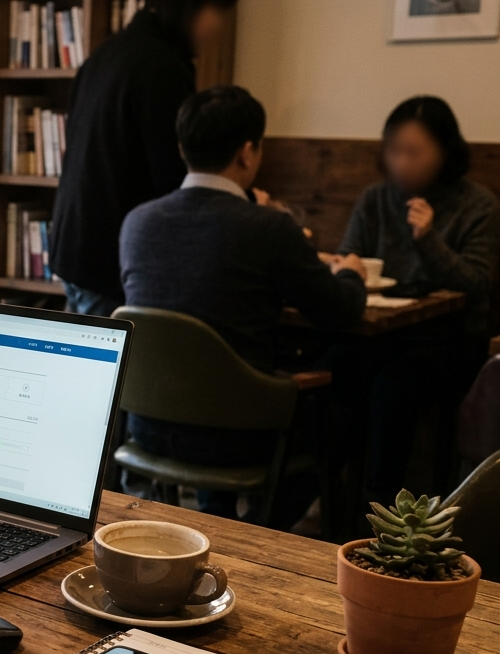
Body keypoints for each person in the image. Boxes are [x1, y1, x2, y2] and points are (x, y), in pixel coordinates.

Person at [119, 86, 367, 518]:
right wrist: (351, 272)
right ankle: (263, 527)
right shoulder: (269, 228)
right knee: (350, 402)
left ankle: (219, 522)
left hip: (148, 426)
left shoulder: (137, 223)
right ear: (249, 152)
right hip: (240, 437)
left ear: (182, 148)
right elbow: (340, 310)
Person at [327, 96, 500, 503]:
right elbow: (349, 255)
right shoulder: (375, 199)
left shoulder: (477, 205)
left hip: (452, 339)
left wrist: (429, 241)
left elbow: (477, 283)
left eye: (414, 152)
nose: (400, 162)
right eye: (393, 150)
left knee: (395, 387)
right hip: (382, 333)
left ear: (445, 152)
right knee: (332, 368)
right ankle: (327, 495)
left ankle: (382, 506)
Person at [49, 0, 238, 317]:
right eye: (215, 13)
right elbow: (175, 177)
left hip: (74, 249)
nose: (216, 28)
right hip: (113, 258)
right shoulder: (162, 67)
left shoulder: (104, 54)